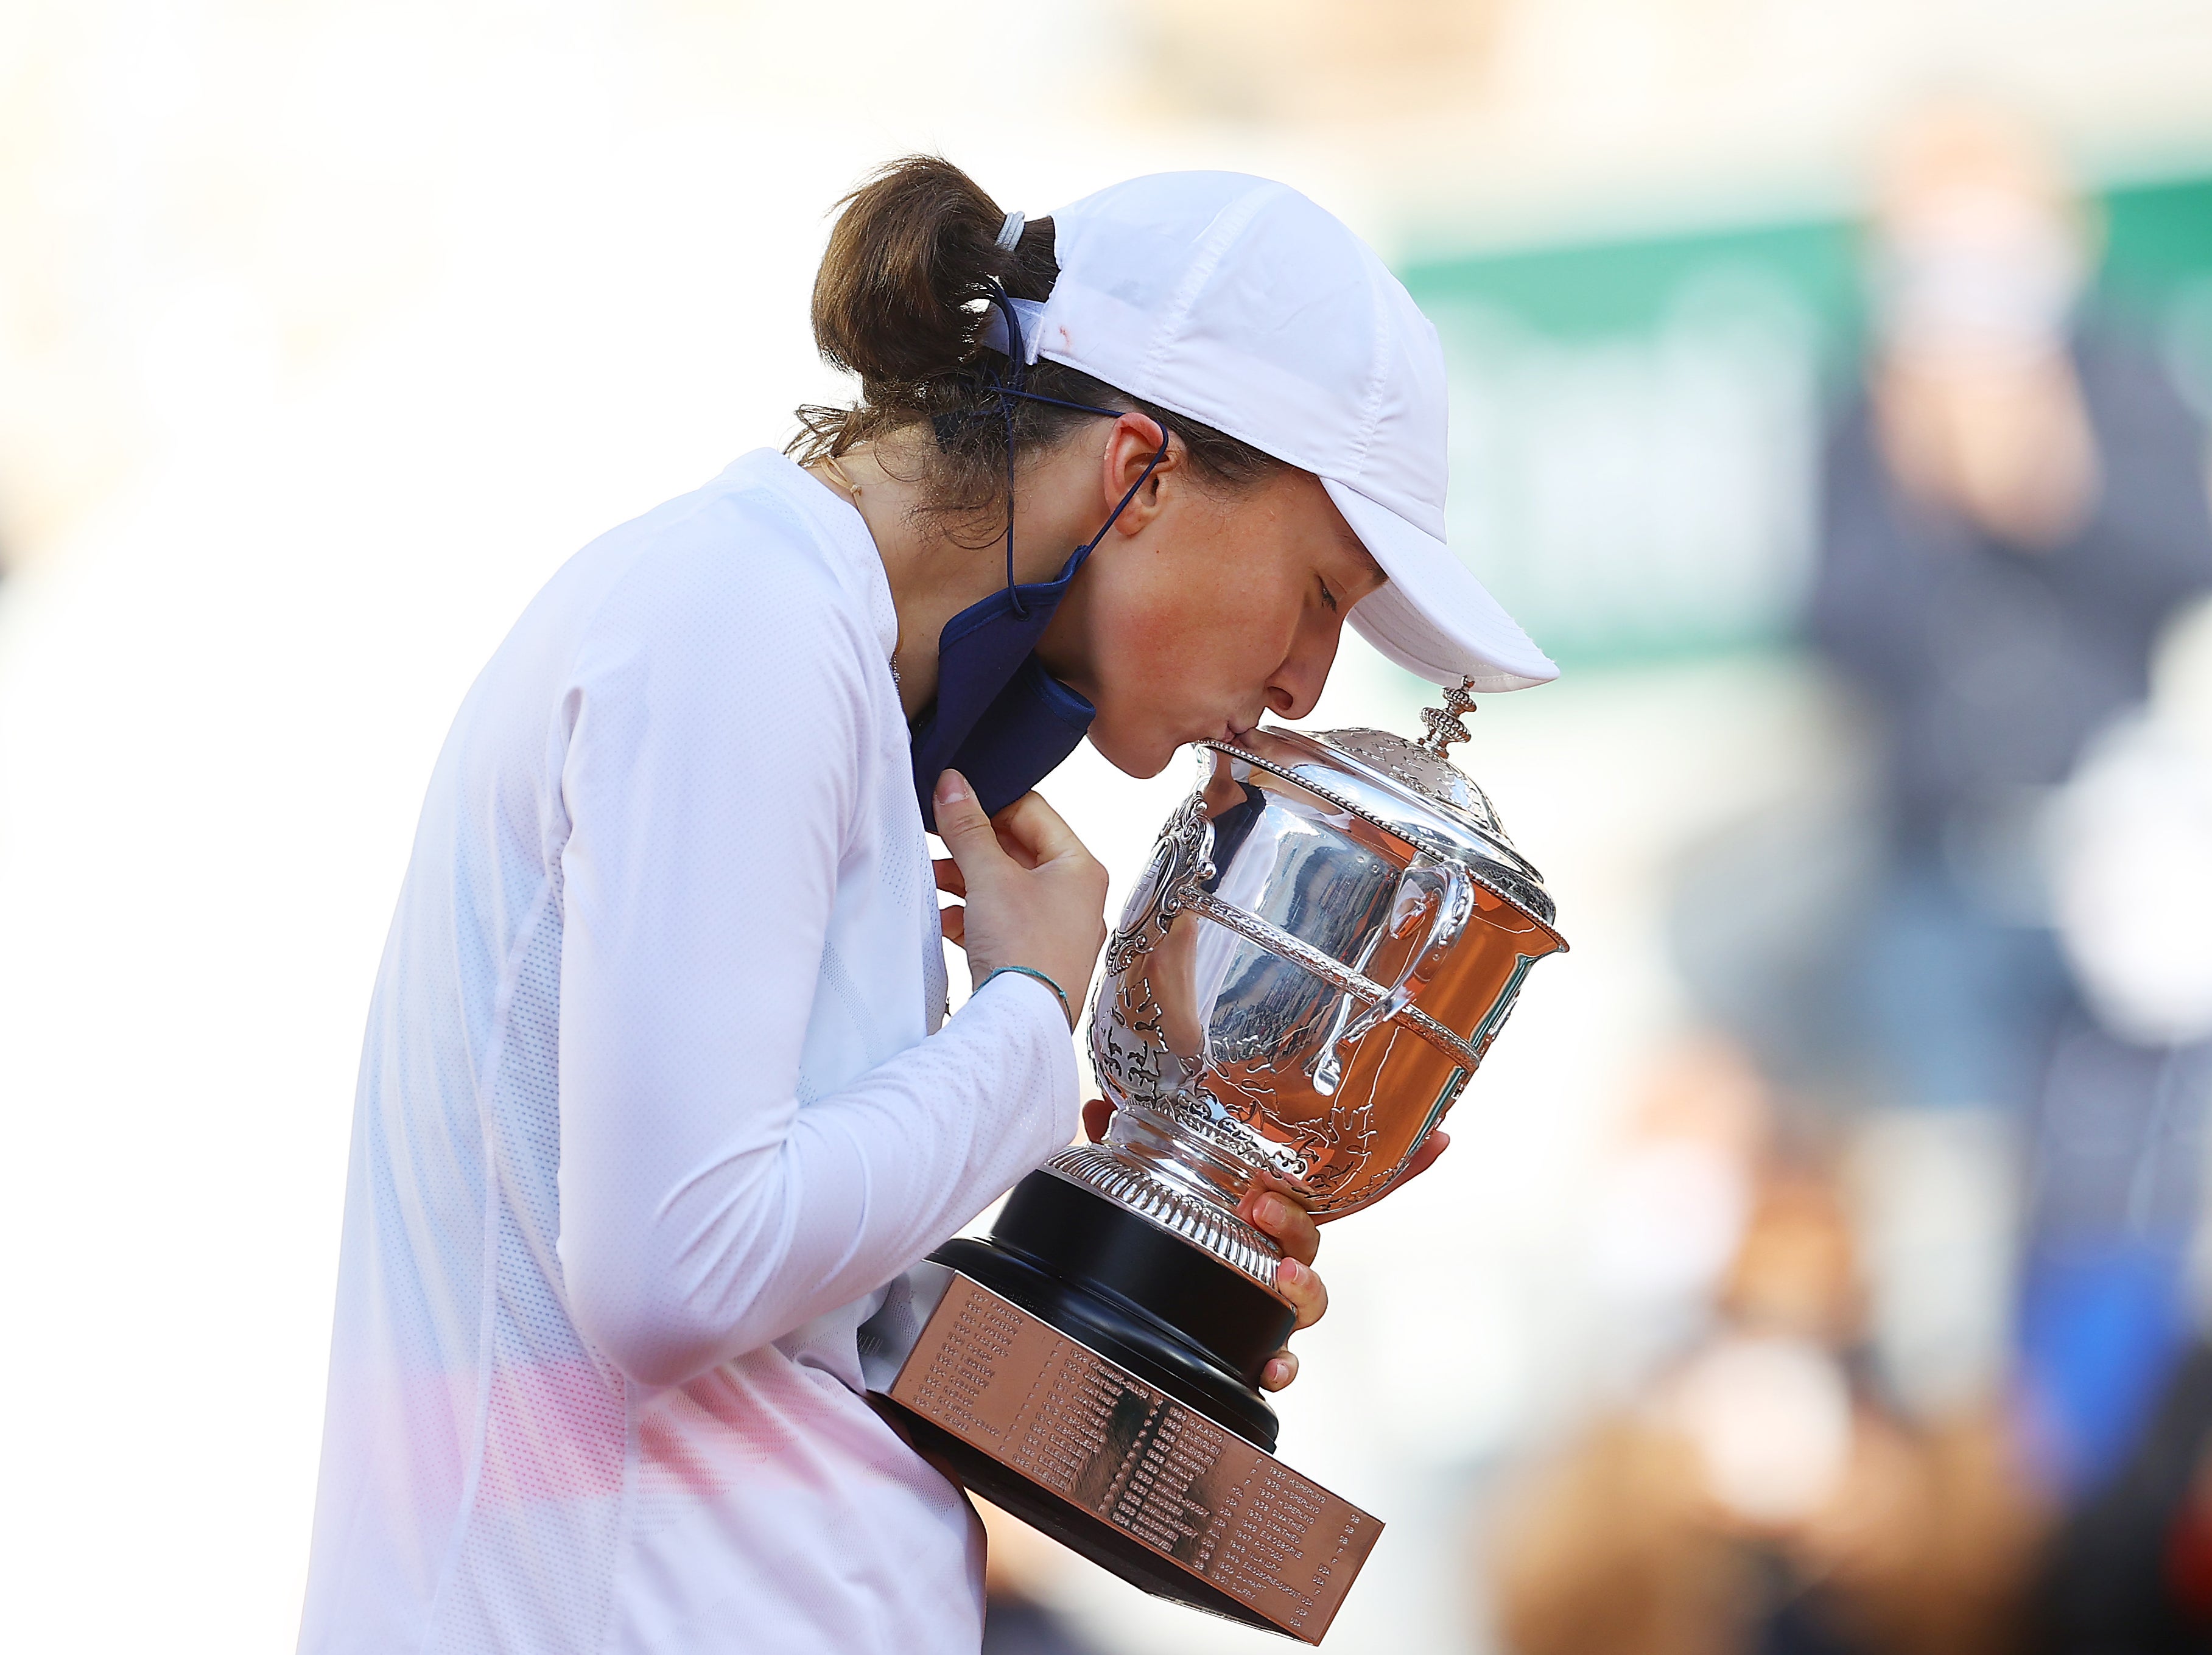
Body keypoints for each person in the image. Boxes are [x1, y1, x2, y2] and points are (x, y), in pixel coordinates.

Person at [295, 157, 1556, 1655]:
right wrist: (1024, 1030)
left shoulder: (821, 658)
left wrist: (1169, 1266)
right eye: (1319, 594)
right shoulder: (740, 616)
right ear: (1138, 470)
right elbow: (668, 1272)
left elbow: (785, 1338)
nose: (1305, 682)